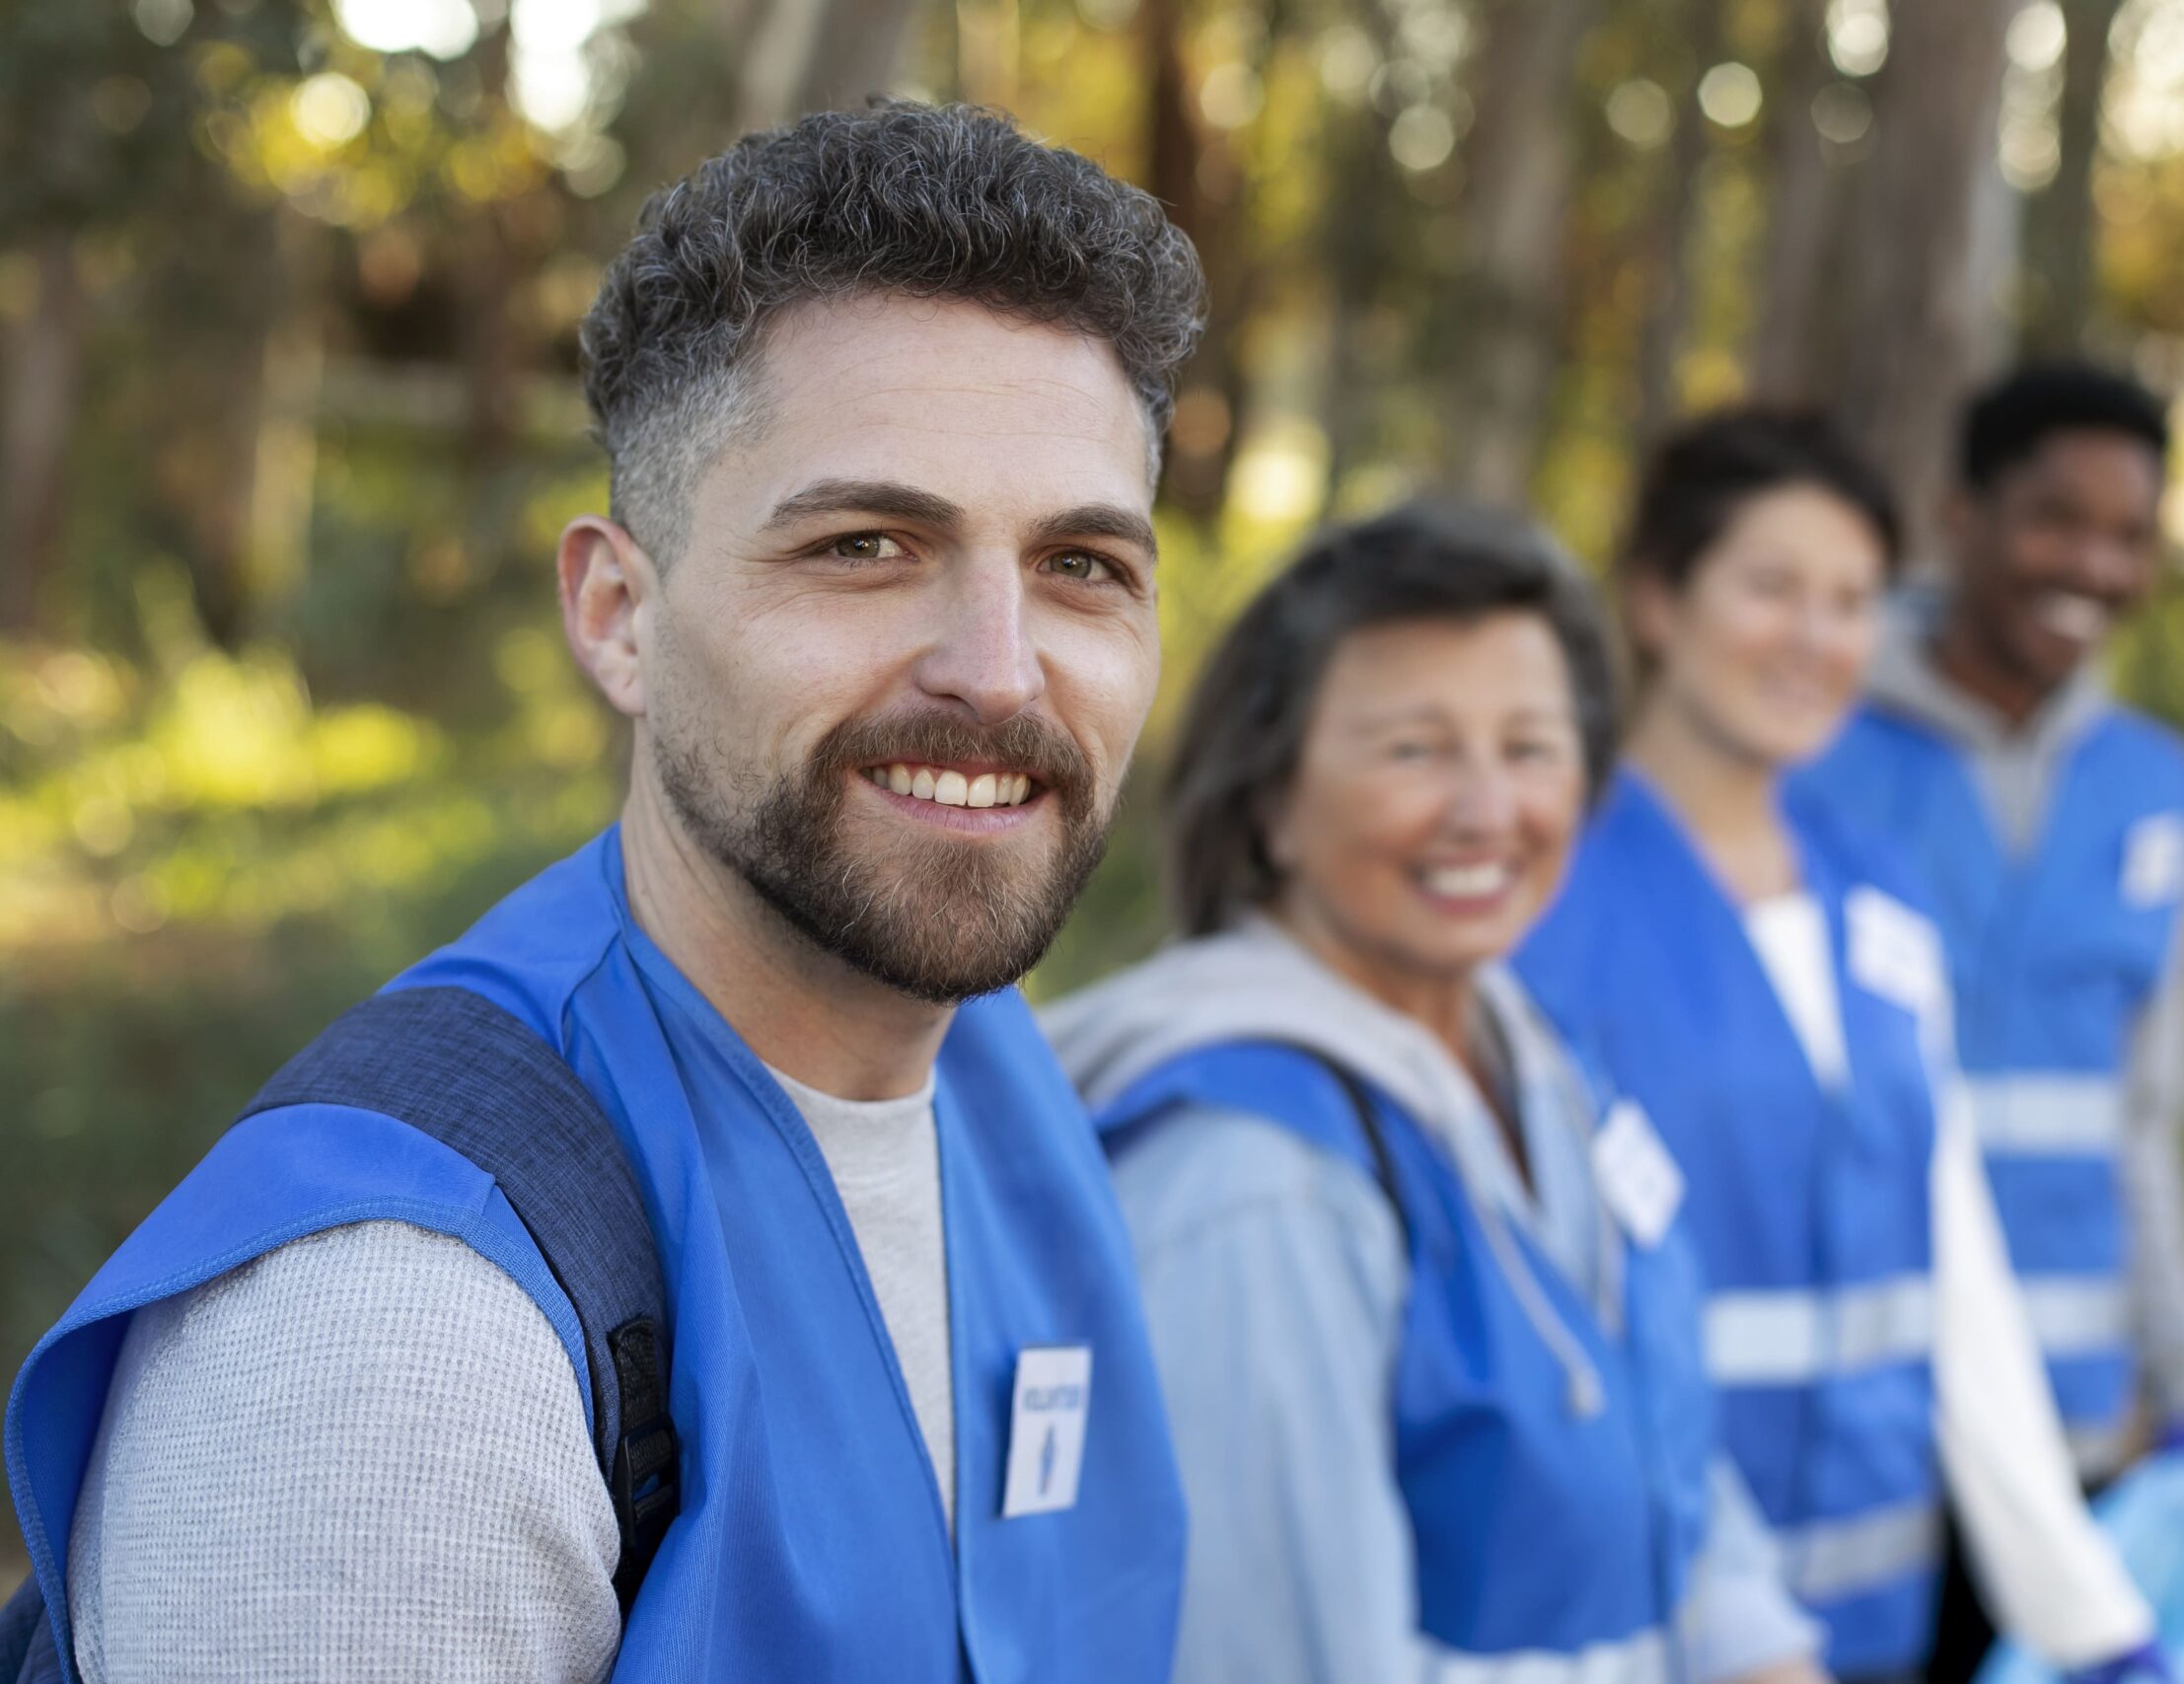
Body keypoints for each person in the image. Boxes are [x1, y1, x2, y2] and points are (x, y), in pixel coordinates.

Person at [4, 103, 1203, 1682]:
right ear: (618, 614)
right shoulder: (387, 1351)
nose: (997, 670)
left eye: (1082, 566)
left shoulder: (1002, 1089)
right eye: (863, 545)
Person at [1049, 505, 1829, 1684]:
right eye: (1413, 750)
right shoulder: (1256, 1176)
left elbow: (1658, 1447)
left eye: (1529, 748)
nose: (1485, 811)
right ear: (1269, 802)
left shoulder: (1542, 1061)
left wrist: (1764, 1654)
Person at [1517, 410, 2165, 1684]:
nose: (1817, 639)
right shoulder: (1537, 903)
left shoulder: (1880, 894)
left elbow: (1959, 1276)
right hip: (1634, 1623)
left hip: (1879, 1622)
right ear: (1656, 597)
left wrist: (2086, 1616)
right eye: (1772, 588)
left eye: (1852, 600)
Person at [1791, 366, 2184, 1675]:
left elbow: (2140, 1123)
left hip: (2076, 1432)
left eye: (2130, 534)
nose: (2094, 564)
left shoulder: (2157, 785)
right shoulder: (1813, 744)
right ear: (1962, 516)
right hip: (1860, 1428)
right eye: (2056, 517)